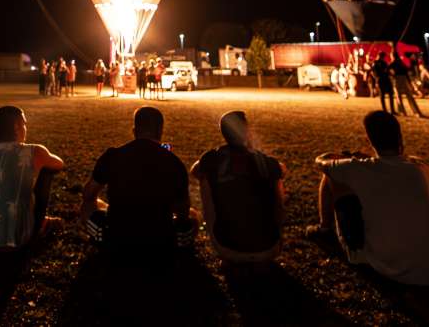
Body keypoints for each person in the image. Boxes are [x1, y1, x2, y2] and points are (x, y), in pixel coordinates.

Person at [312, 111, 429, 286]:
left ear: (370, 140)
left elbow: (321, 163)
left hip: (392, 270)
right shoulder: (421, 167)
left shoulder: (360, 168)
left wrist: (347, 159)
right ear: (399, 136)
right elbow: (389, 170)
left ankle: (324, 229)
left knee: (331, 177)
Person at [79, 107, 195, 261]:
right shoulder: (174, 162)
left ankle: (101, 241)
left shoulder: (113, 155)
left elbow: (88, 194)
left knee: (87, 205)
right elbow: (182, 211)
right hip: (160, 244)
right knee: (194, 216)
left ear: (134, 130)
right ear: (160, 131)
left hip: (116, 239)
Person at [190, 111, 285, 266]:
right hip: (269, 249)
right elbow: (282, 171)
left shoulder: (212, 159)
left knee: (205, 178)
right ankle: (275, 237)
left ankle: (220, 240)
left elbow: (195, 170)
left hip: (226, 247)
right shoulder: (265, 162)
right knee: (275, 179)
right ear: (247, 131)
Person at [0, 106, 65, 251]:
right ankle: (38, 225)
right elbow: (59, 164)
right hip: (17, 241)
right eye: (24, 124)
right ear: (16, 127)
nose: (25, 128)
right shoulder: (34, 151)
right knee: (46, 172)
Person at [390, 53, 424, 118]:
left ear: (393, 56)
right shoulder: (402, 62)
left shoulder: (393, 63)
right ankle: (416, 112)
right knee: (409, 96)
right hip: (404, 79)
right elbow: (406, 73)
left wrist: (392, 75)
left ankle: (402, 112)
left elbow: (387, 70)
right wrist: (409, 82)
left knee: (398, 96)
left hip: (397, 79)